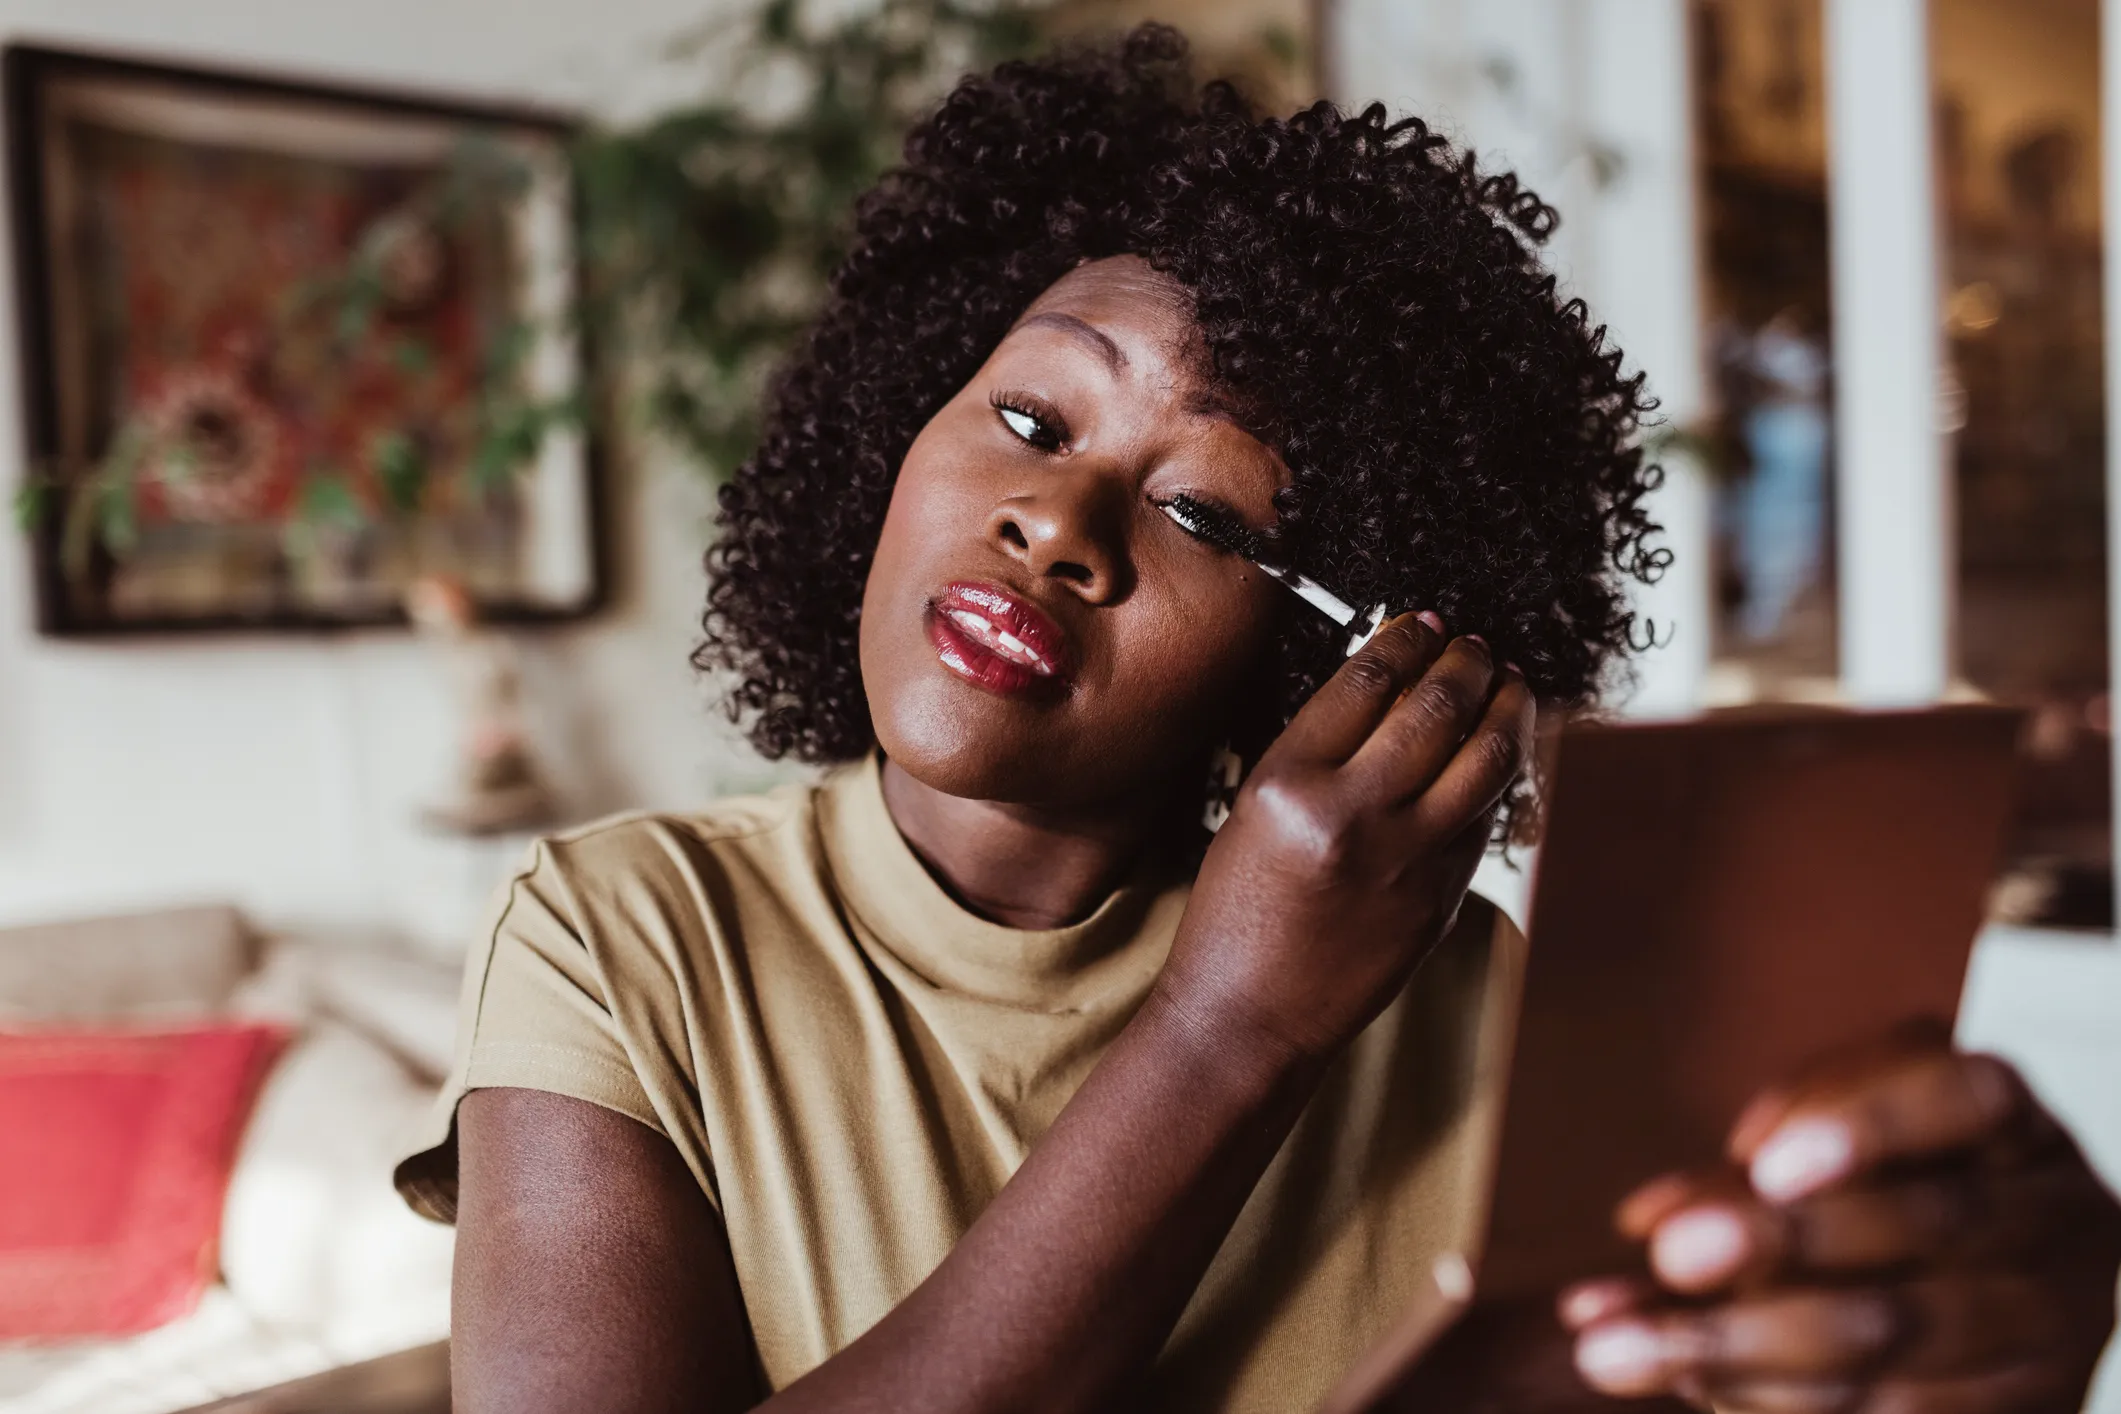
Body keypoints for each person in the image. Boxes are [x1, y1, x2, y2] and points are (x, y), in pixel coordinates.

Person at [395, 28, 2121, 1414]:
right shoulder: (621, 940)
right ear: (888, 427)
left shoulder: (1475, 1009)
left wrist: (1974, 1346)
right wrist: (1228, 1029)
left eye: (1208, 517)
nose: (1056, 526)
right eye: (1025, 411)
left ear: (1339, 652)